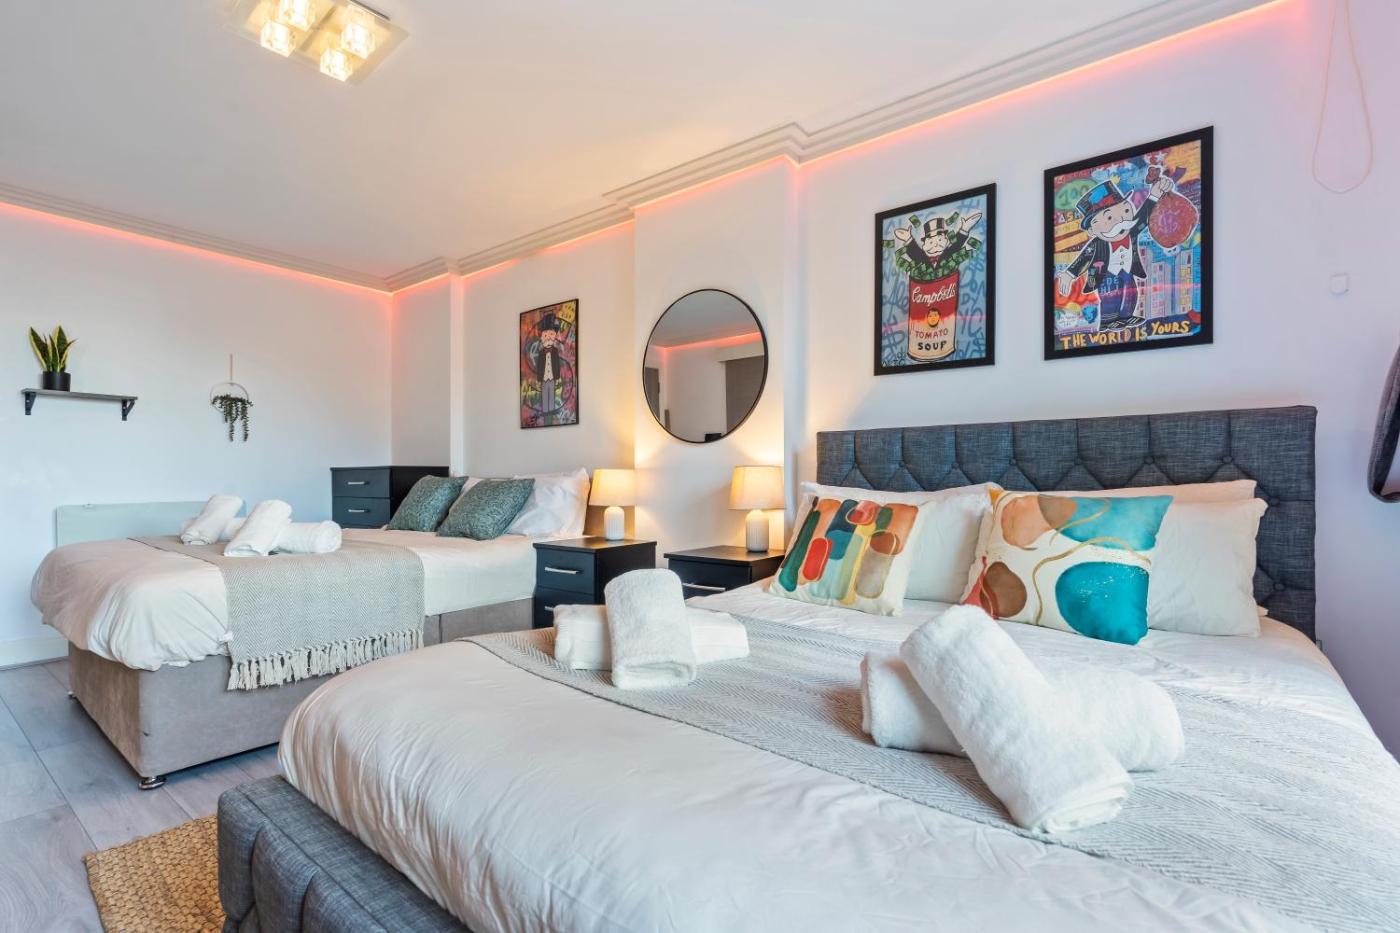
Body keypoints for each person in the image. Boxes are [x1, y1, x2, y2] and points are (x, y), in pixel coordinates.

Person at [1055, 174, 1173, 330]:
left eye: (1125, 210)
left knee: (1130, 293)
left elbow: (1143, 218)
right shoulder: (1097, 244)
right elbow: (1083, 258)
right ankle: (1107, 321)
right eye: (1109, 218)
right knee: (1110, 297)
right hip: (1105, 275)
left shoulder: (1131, 232)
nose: (1121, 220)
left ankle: (1127, 316)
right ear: (1092, 230)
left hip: (1128, 271)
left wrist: (1154, 195)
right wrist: (1069, 274)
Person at [534, 313, 562, 416]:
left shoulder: (555, 351)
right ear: (542, 337)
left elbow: (557, 365)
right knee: (545, 393)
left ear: (554, 336)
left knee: (552, 393)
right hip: (544, 377)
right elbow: (539, 367)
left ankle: (551, 409)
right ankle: (545, 410)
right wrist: (538, 379)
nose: (548, 338)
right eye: (545, 335)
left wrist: (557, 377)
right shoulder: (541, 353)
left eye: (551, 335)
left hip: (552, 377)